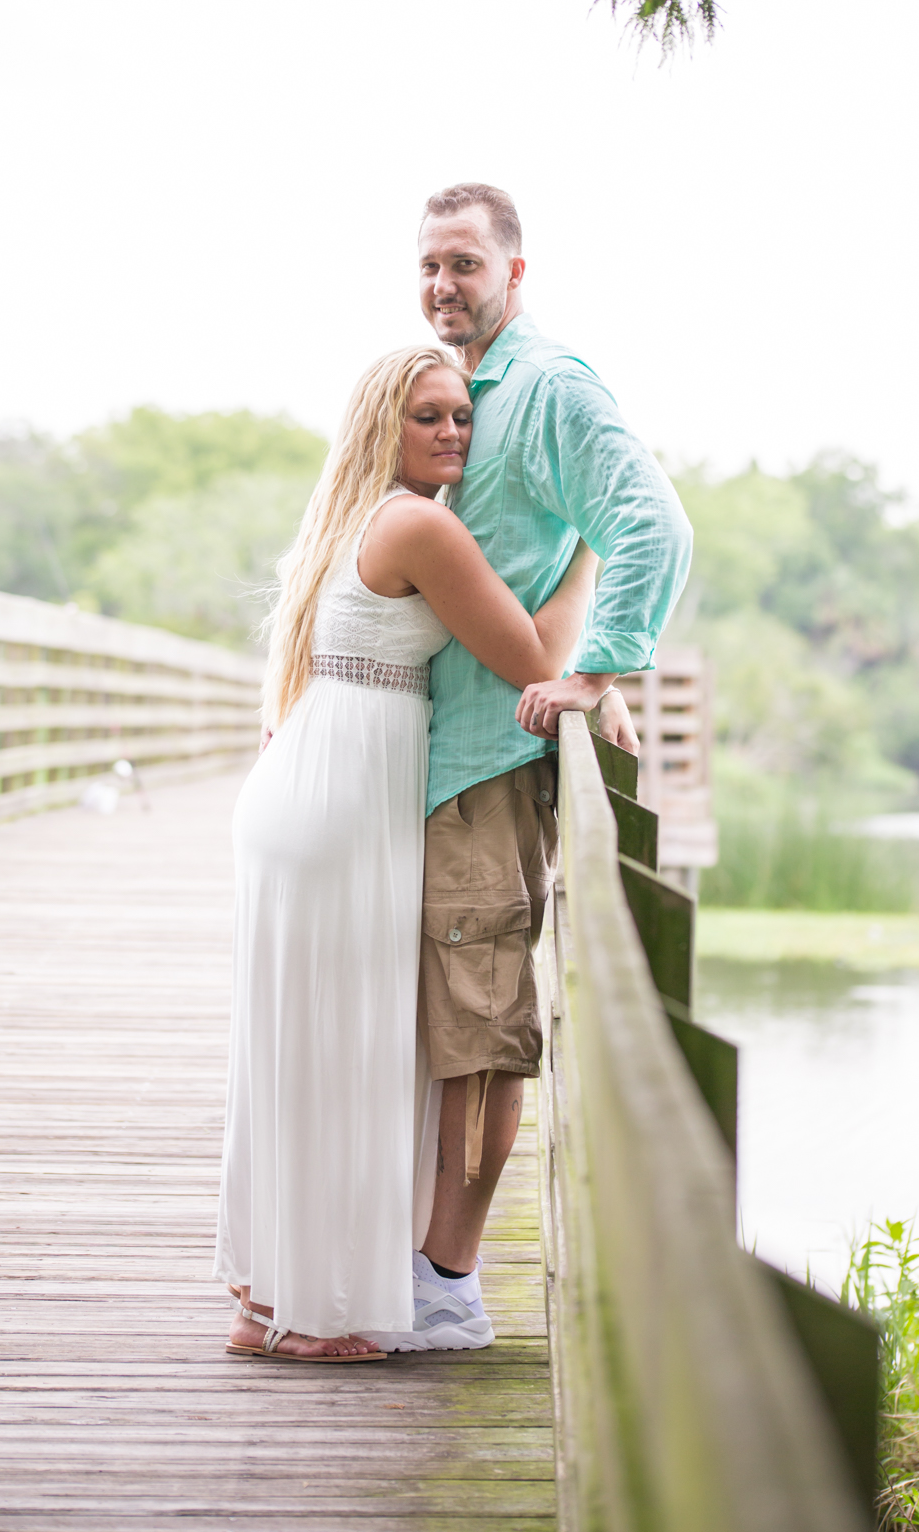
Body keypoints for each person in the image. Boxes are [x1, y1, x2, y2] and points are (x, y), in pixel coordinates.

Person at [216, 346, 599, 1362]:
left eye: (461, 417)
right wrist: (588, 559)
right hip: (342, 796)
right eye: (429, 416)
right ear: (385, 423)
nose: (453, 433)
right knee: (349, 1047)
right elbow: (535, 656)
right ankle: (323, 1311)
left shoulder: (348, 515)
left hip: (305, 783)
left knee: (302, 1043)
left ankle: (269, 1292)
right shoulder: (418, 522)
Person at [372, 182, 693, 1353]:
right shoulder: (460, 392)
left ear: (516, 269)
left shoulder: (549, 387)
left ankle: (447, 1282)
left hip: (486, 767)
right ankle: (410, 1257)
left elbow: (653, 521)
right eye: (428, 264)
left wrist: (597, 671)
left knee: (479, 1033)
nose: (444, 283)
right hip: (425, 764)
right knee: (440, 1026)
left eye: (464, 261)